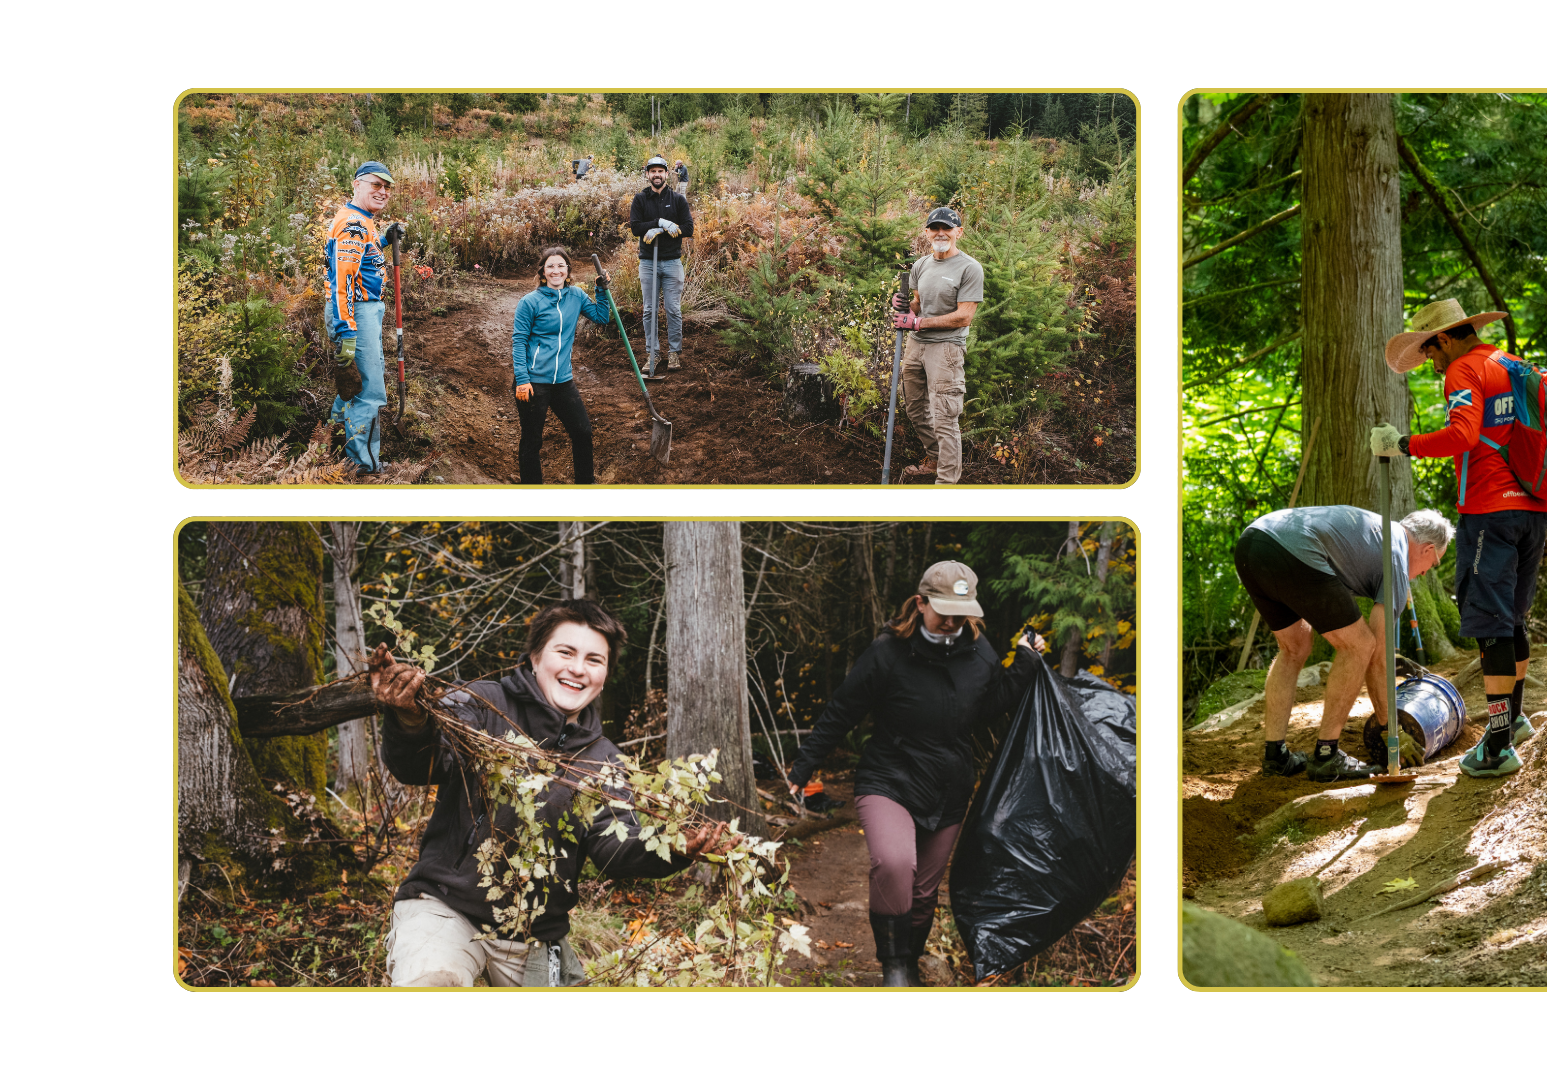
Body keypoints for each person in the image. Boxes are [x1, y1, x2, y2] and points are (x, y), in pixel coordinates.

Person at [371, 599, 737, 987]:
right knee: (431, 979)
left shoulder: (604, 759)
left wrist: (674, 846)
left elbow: (613, 847)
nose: (578, 669)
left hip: (533, 935)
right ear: (534, 657)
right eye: (565, 652)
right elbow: (423, 763)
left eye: (594, 660)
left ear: (605, 674)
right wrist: (410, 720)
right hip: (445, 909)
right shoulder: (482, 704)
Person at [783, 561, 1045, 986]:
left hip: (948, 787)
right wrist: (804, 764)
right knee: (894, 863)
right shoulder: (888, 653)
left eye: (961, 613)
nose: (952, 622)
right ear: (920, 603)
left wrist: (1026, 662)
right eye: (943, 611)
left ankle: (911, 961)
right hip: (889, 778)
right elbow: (843, 709)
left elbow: (989, 708)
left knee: (923, 893)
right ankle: (895, 969)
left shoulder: (980, 653)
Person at [1373, 299, 1547, 778]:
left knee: (1491, 624)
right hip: (1535, 508)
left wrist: (1403, 444)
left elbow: (1463, 435)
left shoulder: (1463, 370)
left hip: (1490, 510)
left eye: (1430, 351)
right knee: (1511, 618)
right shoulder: (1512, 365)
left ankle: (1497, 748)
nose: (1431, 362)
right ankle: (1513, 722)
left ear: (1446, 338)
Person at [1233, 506, 1453, 781]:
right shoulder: (1396, 557)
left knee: (1294, 648)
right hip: (1294, 549)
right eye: (1434, 564)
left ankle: (1275, 756)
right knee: (1359, 645)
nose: (1424, 574)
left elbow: (1380, 655)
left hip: (1253, 543)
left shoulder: (1381, 532)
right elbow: (1376, 656)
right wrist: (1391, 729)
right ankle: (1326, 756)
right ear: (1428, 549)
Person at [891, 207, 984, 484]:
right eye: (935, 228)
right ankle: (934, 459)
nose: (940, 233)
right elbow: (918, 305)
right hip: (916, 346)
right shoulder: (920, 265)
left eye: (947, 228)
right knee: (915, 410)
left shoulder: (969, 268)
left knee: (945, 417)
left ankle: (946, 485)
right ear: (927, 233)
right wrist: (904, 306)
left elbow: (964, 316)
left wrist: (918, 323)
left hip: (946, 349)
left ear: (959, 232)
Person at [324, 161, 405, 473]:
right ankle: (364, 465)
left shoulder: (361, 220)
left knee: (353, 382)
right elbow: (342, 280)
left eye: (387, 187)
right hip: (356, 313)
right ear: (357, 184)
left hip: (359, 311)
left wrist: (383, 239)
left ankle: (328, 442)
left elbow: (360, 257)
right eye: (376, 185)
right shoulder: (354, 225)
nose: (383, 191)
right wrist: (347, 330)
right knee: (369, 391)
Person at [512, 246, 617, 485]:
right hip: (533, 382)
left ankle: (585, 486)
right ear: (543, 272)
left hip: (562, 381)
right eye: (550, 266)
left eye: (561, 266)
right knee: (532, 441)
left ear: (568, 270)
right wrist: (522, 379)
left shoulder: (576, 296)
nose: (556, 270)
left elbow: (601, 317)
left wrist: (601, 289)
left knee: (583, 432)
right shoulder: (529, 302)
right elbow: (519, 342)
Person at [628, 155, 694, 377]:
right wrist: (658, 223)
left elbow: (688, 228)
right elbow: (636, 228)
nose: (656, 175)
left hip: (672, 261)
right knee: (649, 310)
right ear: (648, 174)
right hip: (648, 263)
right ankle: (653, 353)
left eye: (660, 171)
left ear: (667, 174)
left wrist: (663, 229)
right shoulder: (640, 199)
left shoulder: (678, 200)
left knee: (673, 309)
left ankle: (674, 352)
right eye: (653, 171)